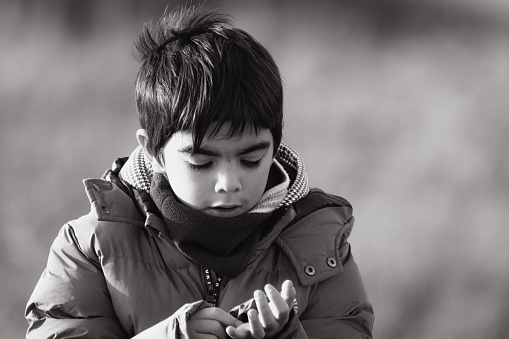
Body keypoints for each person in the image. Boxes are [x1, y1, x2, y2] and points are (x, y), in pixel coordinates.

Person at [25, 4, 374, 338]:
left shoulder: (320, 242)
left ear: (275, 146)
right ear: (153, 151)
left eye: (251, 159)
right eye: (201, 163)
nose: (229, 183)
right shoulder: (91, 246)